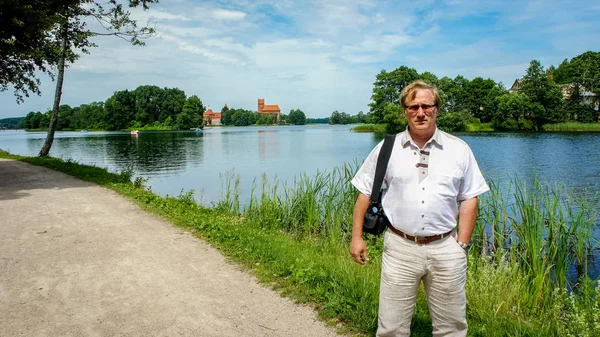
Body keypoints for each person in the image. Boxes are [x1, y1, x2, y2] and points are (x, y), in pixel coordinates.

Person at [350, 80, 489, 337]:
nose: (420, 112)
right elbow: (364, 194)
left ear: (437, 109)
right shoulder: (386, 149)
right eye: (413, 106)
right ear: (405, 110)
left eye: (426, 105)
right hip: (400, 248)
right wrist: (357, 238)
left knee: (452, 328)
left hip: (446, 248)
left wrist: (462, 246)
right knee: (392, 327)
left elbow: (470, 197)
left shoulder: (458, 149)